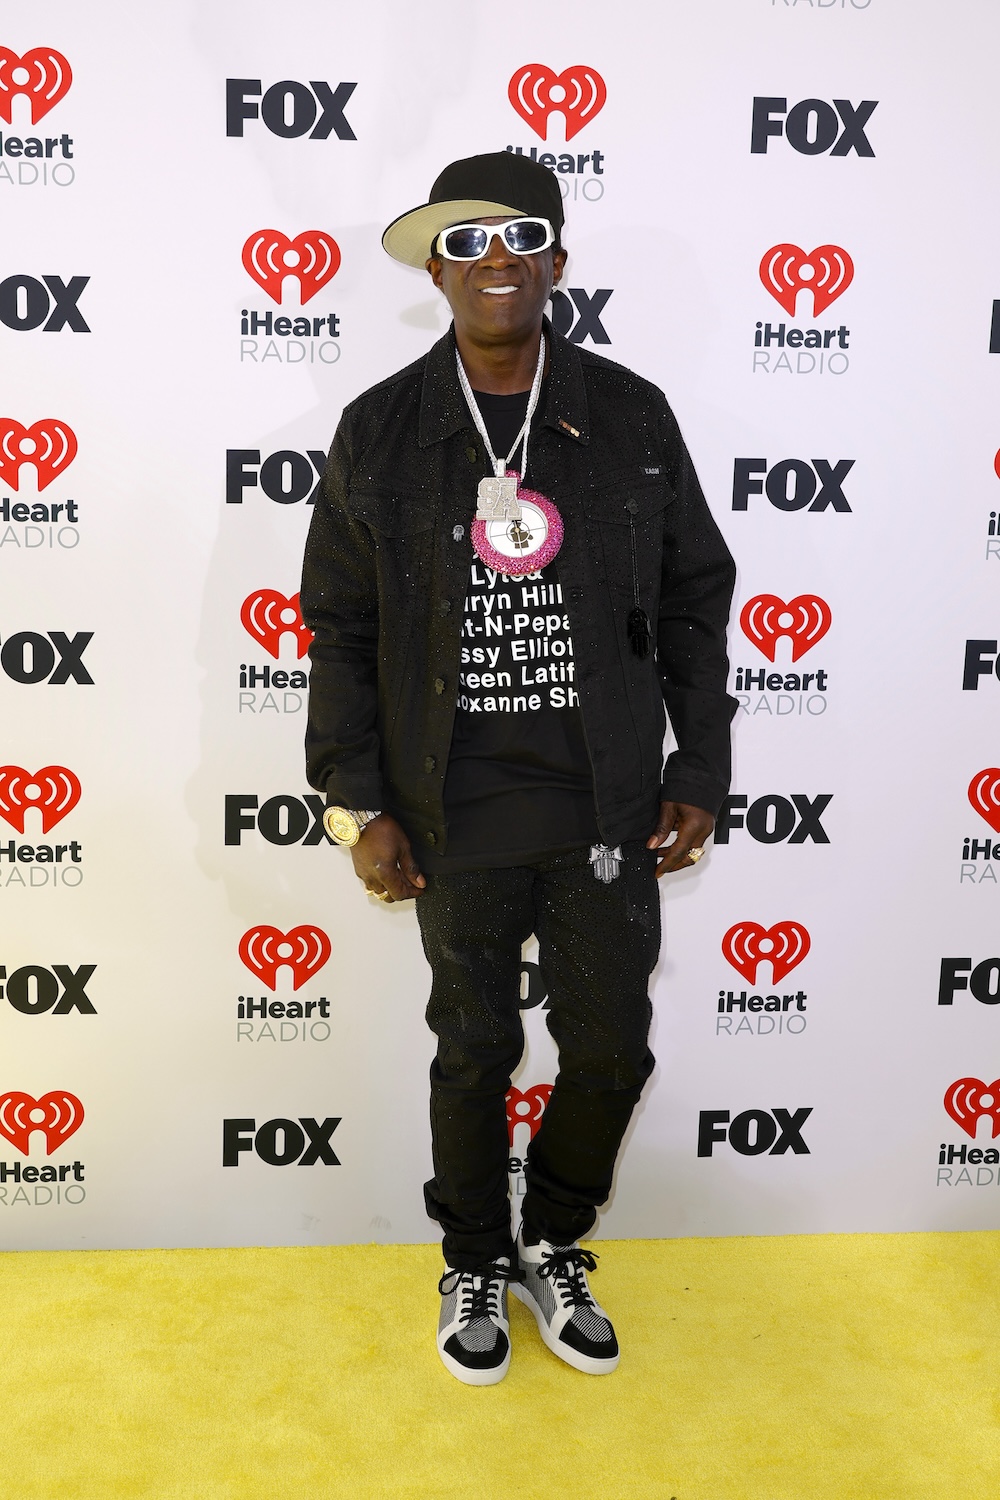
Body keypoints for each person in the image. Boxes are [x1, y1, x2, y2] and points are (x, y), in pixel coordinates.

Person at [300, 151, 736, 1385]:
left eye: (521, 234)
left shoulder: (629, 413)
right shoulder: (380, 427)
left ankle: (553, 1237)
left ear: (557, 259)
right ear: (436, 267)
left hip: (600, 799)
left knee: (608, 1050)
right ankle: (473, 1259)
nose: (496, 259)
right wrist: (353, 800)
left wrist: (696, 767)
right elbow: (336, 621)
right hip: (452, 806)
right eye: (467, 239)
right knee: (473, 1048)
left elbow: (697, 596)